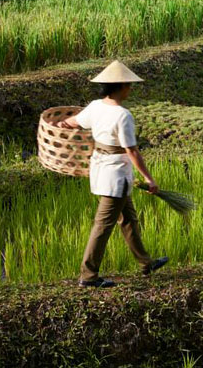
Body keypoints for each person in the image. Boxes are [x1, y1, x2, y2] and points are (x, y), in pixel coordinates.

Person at [59, 60, 168, 288]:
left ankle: (146, 263)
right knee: (103, 225)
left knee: (128, 219)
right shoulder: (122, 115)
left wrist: (59, 124)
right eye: (129, 85)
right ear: (120, 87)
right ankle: (88, 276)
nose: (130, 89)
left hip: (102, 168)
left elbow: (74, 123)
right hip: (115, 176)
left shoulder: (96, 106)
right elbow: (131, 151)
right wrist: (149, 179)